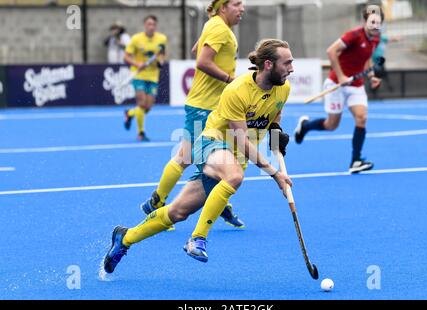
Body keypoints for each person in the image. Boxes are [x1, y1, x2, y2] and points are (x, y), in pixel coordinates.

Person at [102, 39, 293, 273]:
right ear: (268, 65)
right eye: (287, 63)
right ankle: (197, 238)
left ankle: (125, 238)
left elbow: (274, 120)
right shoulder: (237, 90)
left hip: (233, 158)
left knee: (177, 212)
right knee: (233, 176)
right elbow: (243, 142)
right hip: (212, 142)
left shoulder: (284, 88)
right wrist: (275, 174)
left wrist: (277, 142)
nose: (291, 68)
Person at [140, 0, 246, 229]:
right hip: (205, 107)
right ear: (223, 7)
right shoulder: (218, 27)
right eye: (237, 4)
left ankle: (164, 201)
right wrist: (231, 80)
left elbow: (196, 48)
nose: (242, 8)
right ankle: (158, 204)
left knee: (214, 158)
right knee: (189, 157)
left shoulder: (215, 24)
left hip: (212, 106)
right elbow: (202, 60)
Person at [294, 4, 383, 173]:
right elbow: (331, 51)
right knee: (331, 125)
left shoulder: (375, 39)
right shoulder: (354, 35)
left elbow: (366, 58)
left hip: (356, 86)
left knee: (361, 118)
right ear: (365, 21)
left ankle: (356, 160)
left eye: (378, 22)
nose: (375, 26)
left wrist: (371, 77)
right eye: (372, 22)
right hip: (336, 84)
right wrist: (341, 76)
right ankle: (305, 126)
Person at [123, 15, 168, 141]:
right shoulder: (136, 39)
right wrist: (137, 64)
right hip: (139, 74)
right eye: (149, 24)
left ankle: (130, 113)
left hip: (153, 76)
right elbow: (126, 57)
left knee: (147, 107)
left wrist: (161, 62)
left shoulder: (162, 39)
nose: (151, 27)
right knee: (141, 103)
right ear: (144, 25)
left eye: (153, 24)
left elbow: (162, 54)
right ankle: (141, 133)